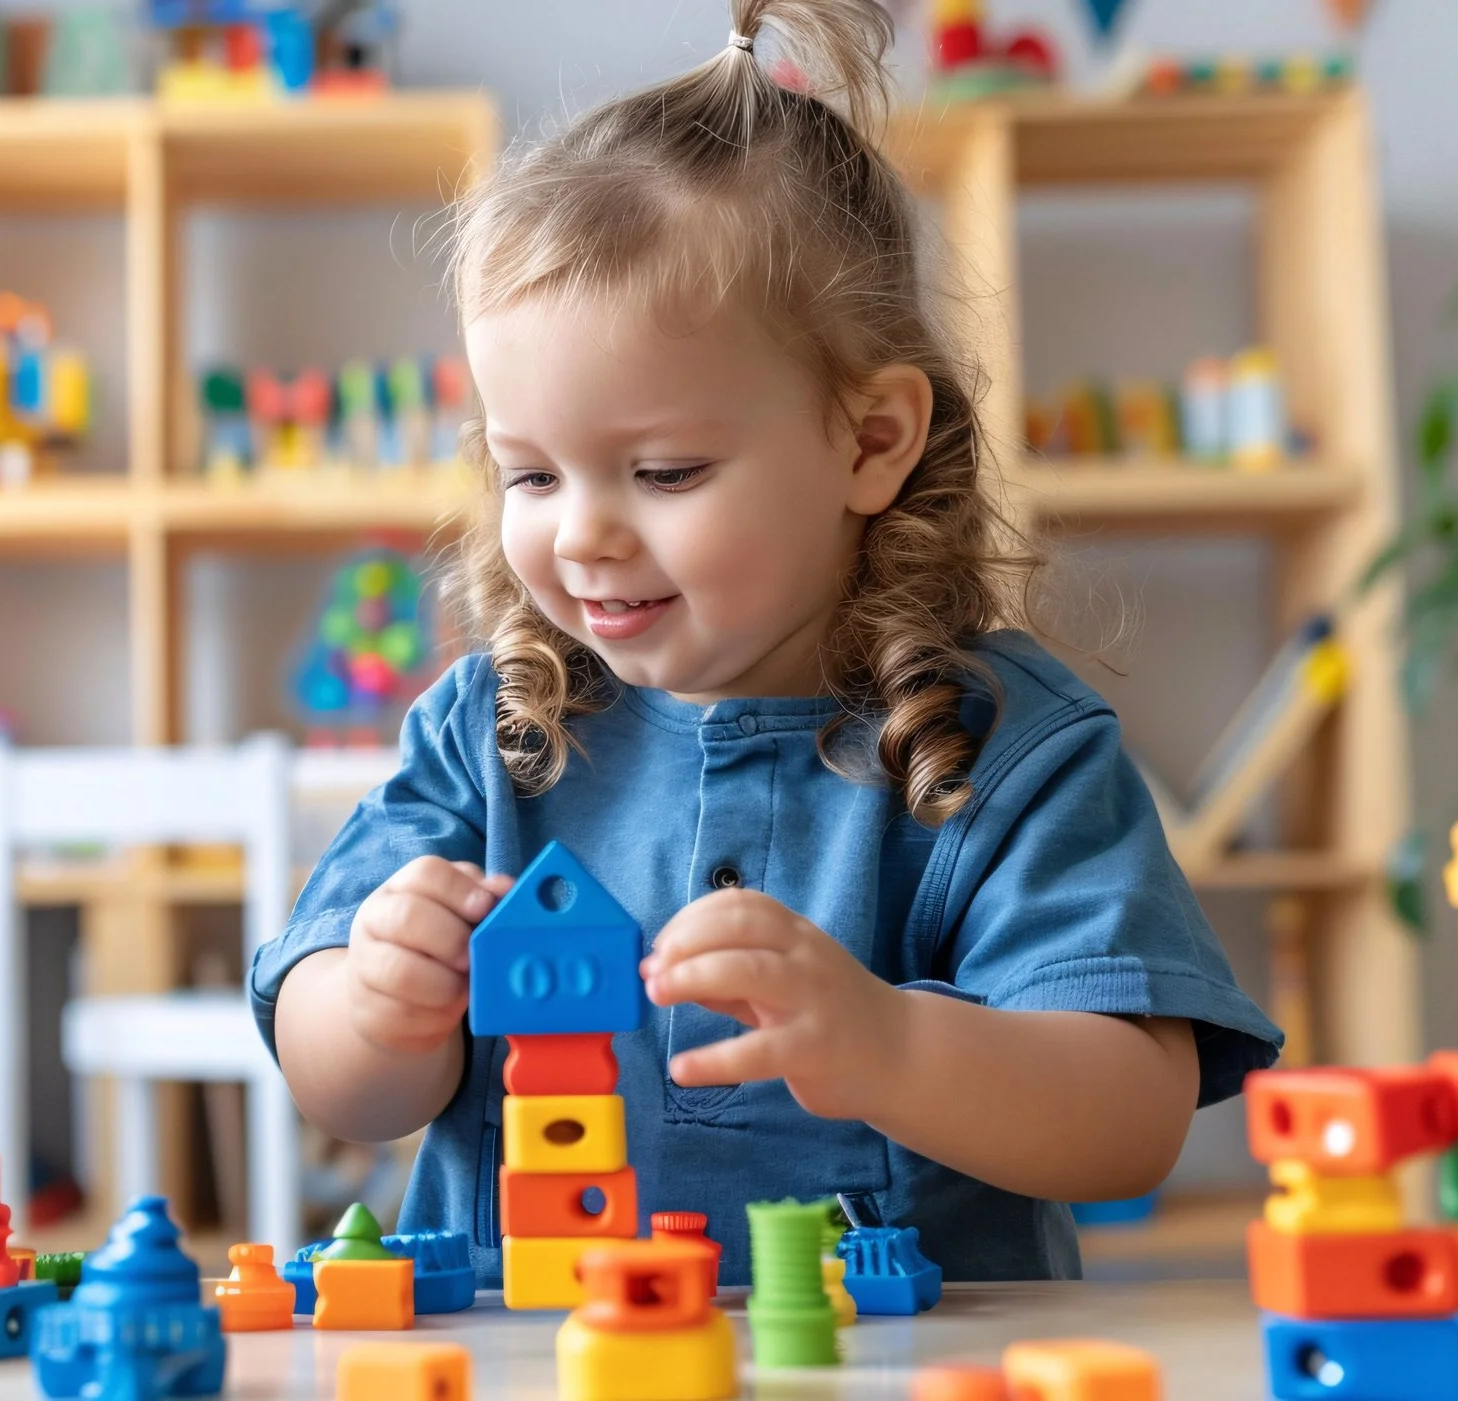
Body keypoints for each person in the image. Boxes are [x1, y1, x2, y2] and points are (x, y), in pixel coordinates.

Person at [254, 0, 1281, 1284]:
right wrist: (377, 1006)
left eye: (665, 471)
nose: (583, 537)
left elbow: (1129, 1121)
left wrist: (887, 1047)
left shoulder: (1010, 751)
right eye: (527, 477)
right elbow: (337, 1086)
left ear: (868, 440)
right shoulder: (488, 735)